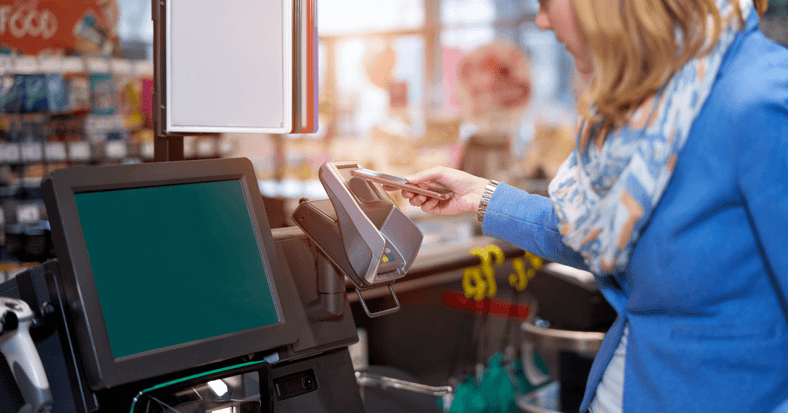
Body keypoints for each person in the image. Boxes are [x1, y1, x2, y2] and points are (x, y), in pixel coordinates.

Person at [400, 0, 788, 411]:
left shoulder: (759, 99)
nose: (541, 21)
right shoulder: (650, 102)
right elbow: (598, 236)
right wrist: (482, 196)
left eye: (549, 3)